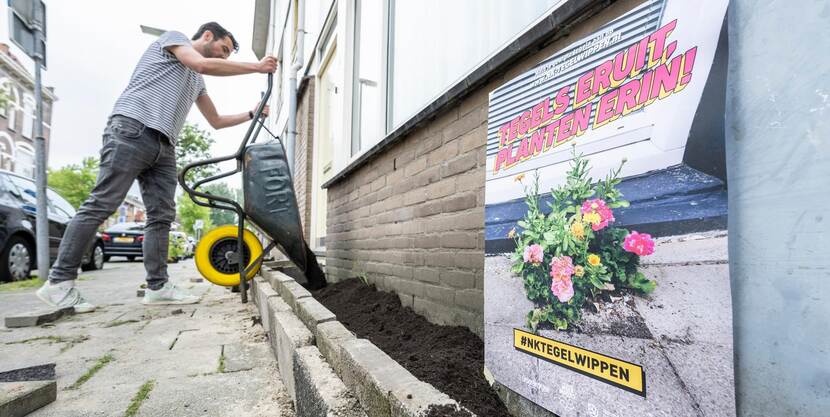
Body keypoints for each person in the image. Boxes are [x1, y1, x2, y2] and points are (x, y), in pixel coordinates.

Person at [36, 22, 277, 312]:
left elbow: (215, 120)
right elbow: (201, 64)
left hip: (164, 146)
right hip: (132, 129)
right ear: (207, 36)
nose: (224, 58)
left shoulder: (196, 80)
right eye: (223, 50)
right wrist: (257, 67)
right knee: (102, 204)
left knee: (162, 216)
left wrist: (251, 113)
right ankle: (59, 283)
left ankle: (158, 286)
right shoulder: (174, 40)